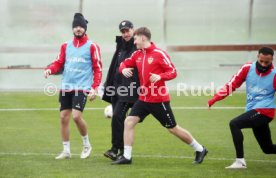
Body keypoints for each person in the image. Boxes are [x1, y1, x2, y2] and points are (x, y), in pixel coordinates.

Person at [112, 27, 208, 165]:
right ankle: (127, 157)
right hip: (143, 98)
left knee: (172, 128)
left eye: (136, 38)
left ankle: (200, 149)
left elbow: (173, 72)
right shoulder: (137, 54)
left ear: (143, 38)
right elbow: (123, 63)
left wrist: (160, 76)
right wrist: (124, 69)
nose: (134, 42)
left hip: (158, 100)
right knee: (129, 121)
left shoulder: (159, 54)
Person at [44, 13, 102, 159]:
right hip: (66, 86)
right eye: (75, 26)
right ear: (72, 29)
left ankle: (87, 145)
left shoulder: (92, 46)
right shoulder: (66, 45)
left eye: (81, 26)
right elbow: (59, 62)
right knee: (63, 117)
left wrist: (95, 87)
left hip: (82, 87)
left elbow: (98, 68)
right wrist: (50, 69)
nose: (78, 29)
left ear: (85, 29)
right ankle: (66, 151)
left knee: (76, 117)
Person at [208, 46, 276, 169]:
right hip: (253, 110)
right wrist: (214, 99)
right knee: (268, 148)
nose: (263, 64)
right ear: (257, 57)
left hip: (265, 111)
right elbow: (231, 85)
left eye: (267, 62)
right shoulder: (247, 68)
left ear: (272, 60)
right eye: (261, 61)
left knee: (235, 124)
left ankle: (240, 162)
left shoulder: (274, 74)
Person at [102, 20, 139, 160]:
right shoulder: (121, 46)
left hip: (130, 90)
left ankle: (117, 149)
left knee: (118, 116)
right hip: (118, 88)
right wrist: (108, 86)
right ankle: (120, 150)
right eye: (123, 31)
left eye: (127, 30)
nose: (125, 33)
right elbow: (114, 67)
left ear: (133, 29)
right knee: (119, 119)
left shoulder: (137, 47)